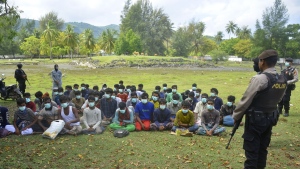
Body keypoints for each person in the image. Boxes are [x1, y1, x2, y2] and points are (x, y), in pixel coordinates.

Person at [232, 50, 286, 169]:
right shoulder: (281, 78)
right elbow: (280, 97)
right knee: (262, 151)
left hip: (256, 120)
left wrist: (236, 117)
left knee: (252, 154)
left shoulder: (260, 79)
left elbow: (246, 100)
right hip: (270, 117)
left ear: (262, 62)